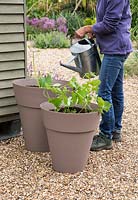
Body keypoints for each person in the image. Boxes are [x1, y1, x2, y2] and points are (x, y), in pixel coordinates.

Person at [75, 0, 133, 151]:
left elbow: (109, 24)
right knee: (115, 91)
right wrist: (95, 30)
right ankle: (115, 131)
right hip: (115, 47)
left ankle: (105, 136)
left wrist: (87, 28)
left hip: (115, 49)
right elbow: (106, 20)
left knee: (103, 92)